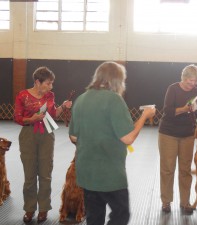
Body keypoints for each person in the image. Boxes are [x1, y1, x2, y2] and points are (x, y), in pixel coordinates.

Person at [68, 61, 156, 225]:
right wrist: (145, 116)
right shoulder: (114, 100)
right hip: (109, 173)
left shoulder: (81, 99)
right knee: (121, 214)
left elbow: (73, 137)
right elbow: (128, 138)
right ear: (117, 80)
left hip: (87, 171)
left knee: (94, 217)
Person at [14, 66, 72, 223]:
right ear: (37, 82)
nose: (50, 87)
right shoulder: (22, 95)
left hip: (47, 133)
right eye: (48, 83)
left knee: (46, 173)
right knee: (29, 174)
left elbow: (53, 114)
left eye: (52, 83)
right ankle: (29, 209)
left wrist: (63, 106)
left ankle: (44, 209)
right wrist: (31, 119)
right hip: (28, 134)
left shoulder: (50, 95)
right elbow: (17, 118)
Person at [158, 64, 197, 215]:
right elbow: (168, 111)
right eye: (190, 81)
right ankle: (166, 201)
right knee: (168, 169)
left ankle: (185, 202)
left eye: (195, 81)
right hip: (168, 133)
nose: (192, 84)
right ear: (183, 78)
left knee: (185, 170)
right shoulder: (173, 89)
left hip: (187, 135)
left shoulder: (196, 92)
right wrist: (183, 109)